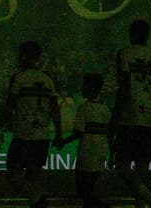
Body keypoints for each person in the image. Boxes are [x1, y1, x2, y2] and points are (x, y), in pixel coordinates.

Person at [112, 19, 151, 208]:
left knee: (122, 166)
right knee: (142, 168)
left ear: (131, 34)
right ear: (147, 35)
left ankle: (150, 199)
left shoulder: (125, 54)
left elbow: (123, 88)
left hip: (130, 116)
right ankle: (143, 203)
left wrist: (114, 118)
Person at [2, 41, 62, 208]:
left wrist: (1, 126)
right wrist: (58, 133)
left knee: (13, 175)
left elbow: (10, 104)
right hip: (42, 137)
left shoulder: (19, 77)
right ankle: (36, 199)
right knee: (32, 179)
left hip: (24, 136)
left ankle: (37, 196)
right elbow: (55, 108)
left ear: (24, 56)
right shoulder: (47, 80)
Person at [57, 74, 110, 208]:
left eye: (84, 86)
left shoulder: (84, 108)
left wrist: (63, 141)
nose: (82, 89)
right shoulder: (105, 109)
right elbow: (110, 133)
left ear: (92, 88)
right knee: (90, 188)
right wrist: (112, 153)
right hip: (101, 153)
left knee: (82, 189)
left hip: (87, 153)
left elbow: (78, 132)